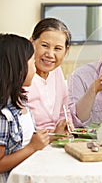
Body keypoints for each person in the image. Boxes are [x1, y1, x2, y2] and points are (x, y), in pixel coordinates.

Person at [0, 34, 49, 182]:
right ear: (19, 68)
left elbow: (28, 139)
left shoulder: (20, 101)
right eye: (33, 63)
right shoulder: (3, 113)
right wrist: (32, 148)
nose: (36, 69)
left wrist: (53, 136)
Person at [25, 18, 74, 136]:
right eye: (45, 45)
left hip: (56, 142)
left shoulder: (56, 70)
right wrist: (53, 135)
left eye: (57, 48)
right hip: (30, 144)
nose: (50, 55)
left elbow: (64, 110)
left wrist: (66, 125)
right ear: (31, 42)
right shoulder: (22, 75)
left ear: (66, 50)